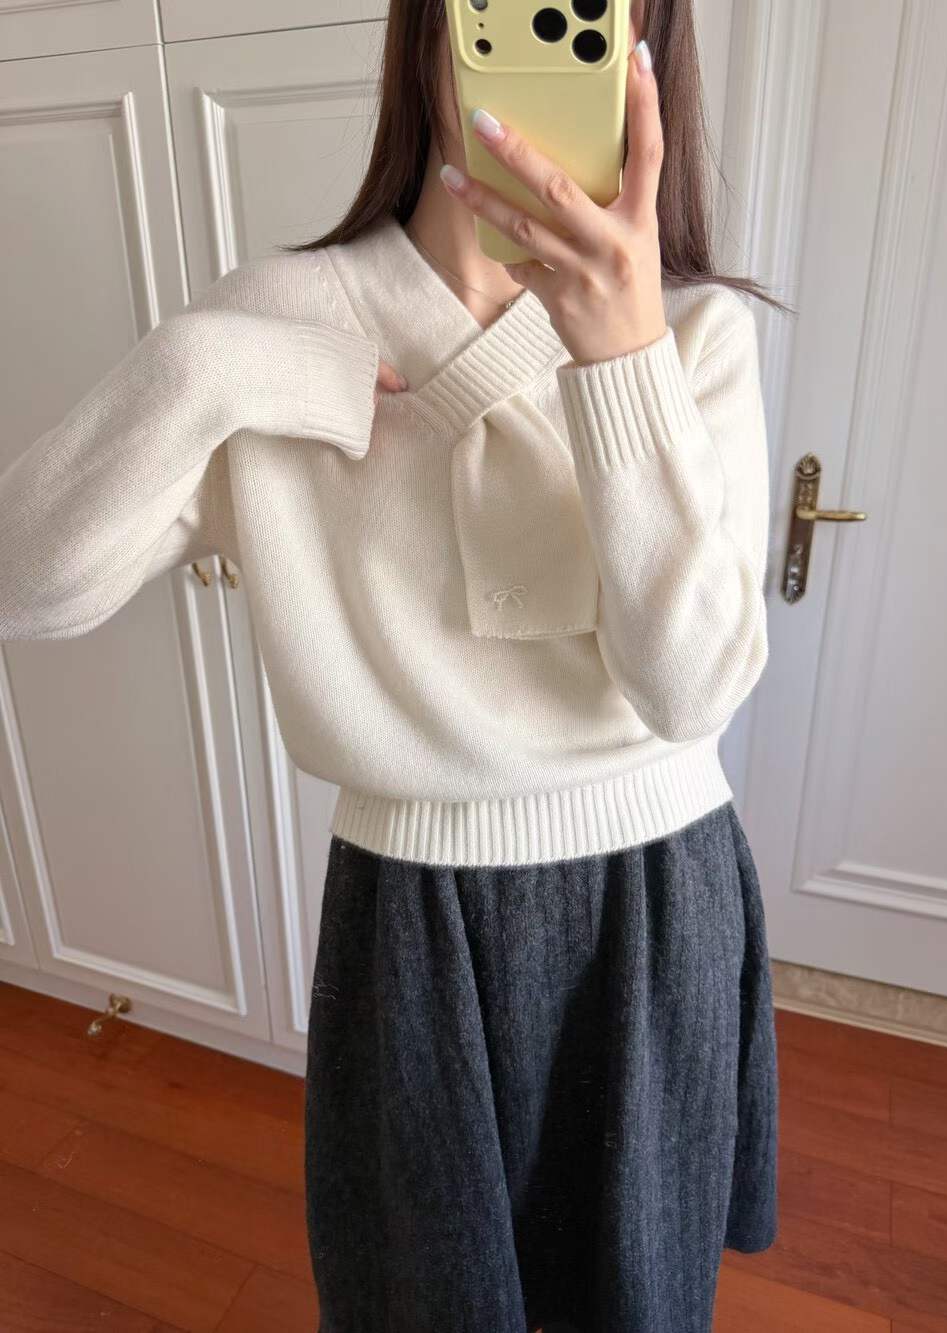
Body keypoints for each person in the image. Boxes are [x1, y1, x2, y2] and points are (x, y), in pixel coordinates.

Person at [0, 1, 790, 1329]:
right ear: (430, 28)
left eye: (582, 19)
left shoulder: (694, 332)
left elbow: (693, 688)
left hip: (658, 902)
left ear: (644, 55)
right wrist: (202, 366)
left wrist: (623, 359)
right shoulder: (279, 324)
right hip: (414, 915)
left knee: (641, 1305)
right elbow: (27, 583)